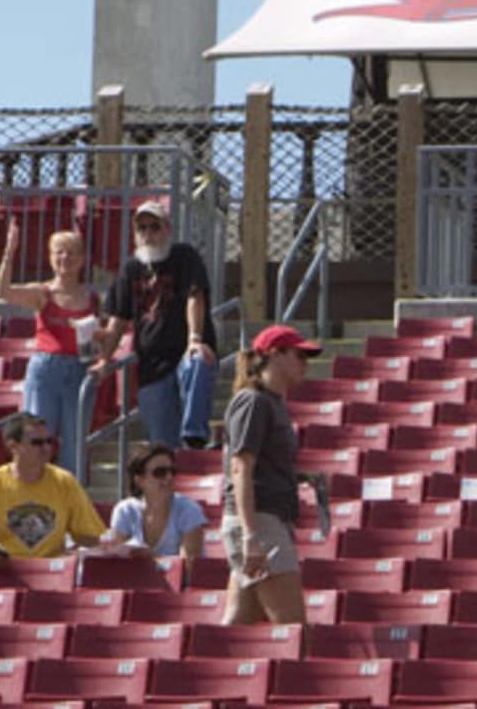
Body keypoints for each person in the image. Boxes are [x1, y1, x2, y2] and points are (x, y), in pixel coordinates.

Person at [94, 200, 217, 450]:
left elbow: (195, 296)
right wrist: (105, 358)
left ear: (167, 229)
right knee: (162, 447)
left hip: (185, 354)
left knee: (198, 361)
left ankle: (195, 435)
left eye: (154, 227)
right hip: (151, 366)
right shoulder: (131, 269)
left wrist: (194, 339)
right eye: (142, 228)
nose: (148, 234)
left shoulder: (184, 256)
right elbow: (118, 317)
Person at [221, 324, 321, 625]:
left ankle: (197, 672)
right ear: (274, 355)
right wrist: (252, 536)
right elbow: (240, 468)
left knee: (239, 623)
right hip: (259, 521)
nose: (305, 364)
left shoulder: (272, 403)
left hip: (265, 518)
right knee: (293, 630)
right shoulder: (254, 401)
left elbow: (260, 464)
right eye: (299, 355)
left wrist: (299, 477)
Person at [0, 412, 108, 591]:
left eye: (49, 441)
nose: (46, 448)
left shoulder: (65, 482)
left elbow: (89, 538)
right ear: (13, 446)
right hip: (4, 567)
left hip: (50, 569)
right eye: (37, 443)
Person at [0, 224, 98, 475]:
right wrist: (10, 252)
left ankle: (71, 501)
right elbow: (4, 292)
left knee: (75, 441)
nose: (66, 258)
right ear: (51, 258)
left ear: (82, 258)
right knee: (36, 437)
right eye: (59, 252)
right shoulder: (43, 292)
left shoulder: (92, 297)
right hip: (47, 368)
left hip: (79, 368)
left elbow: (101, 337)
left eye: (72, 252)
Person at [109, 443, 207, 571]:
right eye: (160, 473)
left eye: (172, 471)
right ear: (139, 480)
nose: (169, 477)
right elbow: (120, 567)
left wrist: (149, 560)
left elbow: (188, 569)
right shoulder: (124, 511)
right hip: (135, 584)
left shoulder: (189, 510)